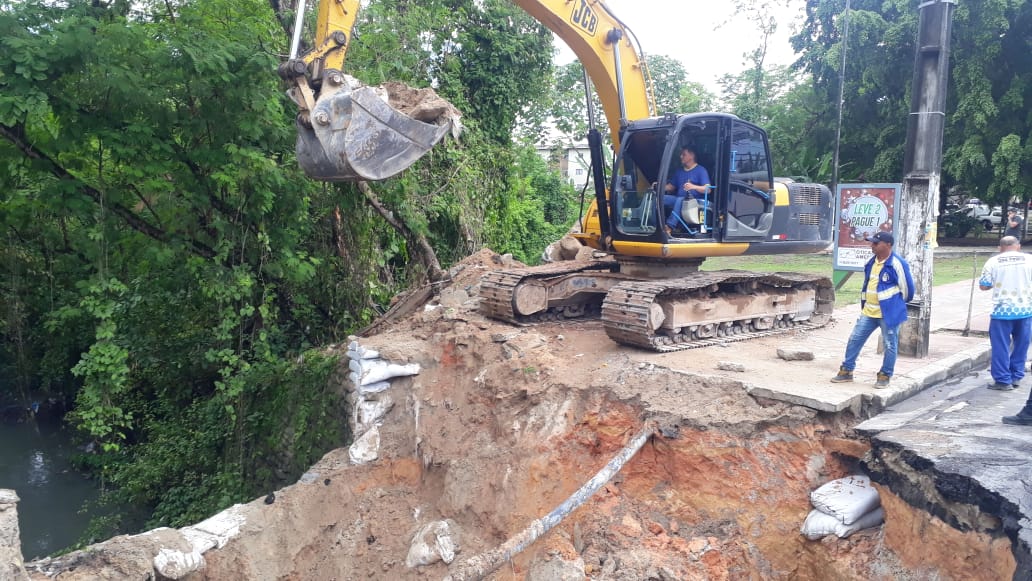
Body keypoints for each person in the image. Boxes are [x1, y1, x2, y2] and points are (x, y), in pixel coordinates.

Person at [831, 231, 915, 388]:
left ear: (888, 245)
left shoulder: (897, 264)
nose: (872, 245)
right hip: (869, 312)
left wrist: (894, 305)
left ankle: (885, 375)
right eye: (872, 243)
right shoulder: (871, 263)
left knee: (890, 345)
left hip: (888, 314)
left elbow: (908, 291)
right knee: (855, 340)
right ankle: (847, 370)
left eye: (876, 243)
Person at [978, 235, 1032, 392]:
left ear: (1000, 247)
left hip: (1001, 311)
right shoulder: (1029, 260)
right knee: (1022, 345)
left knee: (1000, 345)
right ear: (1018, 246)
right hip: (1025, 310)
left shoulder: (993, 262)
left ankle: (1003, 380)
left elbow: (984, 286)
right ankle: (1016, 376)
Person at [662, 147, 710, 236]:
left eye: (684, 154)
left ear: (691, 156)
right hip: (679, 199)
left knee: (680, 200)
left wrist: (693, 186)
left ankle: (669, 226)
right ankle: (654, 224)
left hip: (695, 201)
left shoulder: (701, 170)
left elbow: (708, 189)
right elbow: (671, 187)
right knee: (660, 199)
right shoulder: (679, 171)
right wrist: (659, 187)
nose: (681, 157)